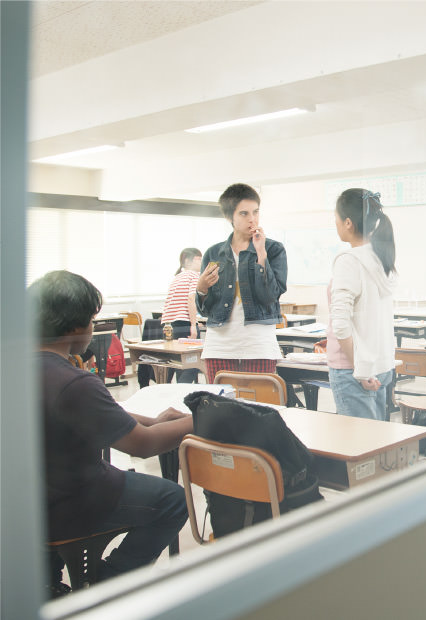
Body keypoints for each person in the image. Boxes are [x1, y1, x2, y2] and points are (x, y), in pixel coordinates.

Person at [31, 270, 192, 595]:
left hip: (30, 499)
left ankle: (49, 581)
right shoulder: (75, 381)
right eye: (93, 319)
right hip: (73, 498)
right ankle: (106, 583)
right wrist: (198, 419)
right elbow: (142, 447)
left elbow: (94, 415)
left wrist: (152, 420)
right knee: (173, 499)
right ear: (77, 326)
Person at [196, 183, 287, 381]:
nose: (252, 219)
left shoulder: (273, 250)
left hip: (259, 344)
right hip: (219, 345)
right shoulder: (213, 253)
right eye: (244, 214)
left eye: (255, 212)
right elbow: (205, 310)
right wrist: (201, 288)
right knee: (220, 405)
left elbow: (271, 296)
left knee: (260, 407)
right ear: (230, 217)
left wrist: (261, 253)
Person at [327, 188, 398, 421]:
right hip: (379, 364)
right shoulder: (381, 259)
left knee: (359, 449)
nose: (335, 224)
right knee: (375, 443)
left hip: (354, 369)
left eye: (336, 218)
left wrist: (360, 369)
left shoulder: (349, 261)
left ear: (348, 222)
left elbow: (341, 323)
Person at [160, 247, 202, 383]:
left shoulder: (177, 277)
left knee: (177, 363)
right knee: (193, 363)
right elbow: (191, 299)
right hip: (184, 324)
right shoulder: (194, 276)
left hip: (169, 325)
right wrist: (194, 325)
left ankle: (176, 393)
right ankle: (182, 393)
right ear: (195, 259)